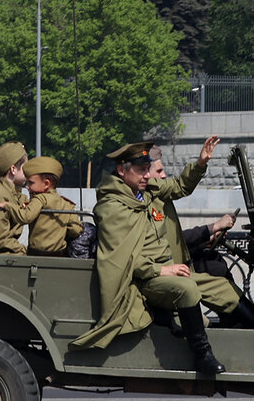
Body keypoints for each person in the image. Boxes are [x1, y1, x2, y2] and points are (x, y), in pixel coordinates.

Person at [70, 142, 232, 375]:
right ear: (122, 170)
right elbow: (123, 259)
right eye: (141, 170)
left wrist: (200, 163)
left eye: (148, 168)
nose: (147, 175)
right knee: (186, 288)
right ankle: (202, 355)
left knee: (221, 286)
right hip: (144, 279)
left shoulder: (144, 191)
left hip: (167, 270)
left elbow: (178, 187)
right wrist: (160, 271)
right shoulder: (112, 207)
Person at [148, 143, 254, 329]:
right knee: (218, 286)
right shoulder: (146, 200)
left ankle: (236, 320)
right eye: (159, 171)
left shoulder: (157, 196)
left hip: (176, 264)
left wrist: (207, 239)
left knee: (214, 263)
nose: (164, 175)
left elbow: (175, 240)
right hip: (165, 272)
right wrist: (212, 228)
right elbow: (165, 242)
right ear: (145, 174)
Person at [9, 156, 83, 256]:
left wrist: (7, 206)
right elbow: (76, 230)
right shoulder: (66, 204)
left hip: (36, 255)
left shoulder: (39, 199)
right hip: (59, 256)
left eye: (31, 183)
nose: (27, 186)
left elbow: (26, 217)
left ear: (46, 184)